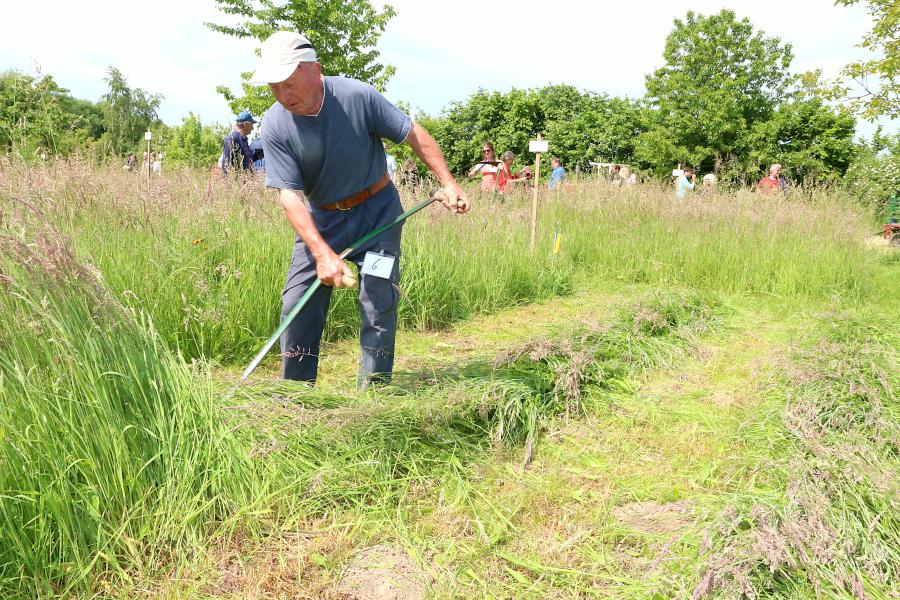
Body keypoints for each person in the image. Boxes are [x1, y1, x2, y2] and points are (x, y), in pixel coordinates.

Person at [253, 31, 469, 387]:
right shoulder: (275, 124)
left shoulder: (357, 96)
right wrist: (322, 254)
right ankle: (296, 396)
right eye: (274, 87)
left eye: (289, 84)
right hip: (322, 220)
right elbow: (290, 196)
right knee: (297, 303)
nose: (282, 96)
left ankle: (374, 392)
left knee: (377, 301)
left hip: (379, 216)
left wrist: (448, 181)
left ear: (314, 70)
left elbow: (412, 132)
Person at [222, 111, 257, 176]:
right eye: (252, 125)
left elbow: (245, 159)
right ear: (246, 124)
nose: (253, 128)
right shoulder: (232, 138)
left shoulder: (244, 139)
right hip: (237, 183)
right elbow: (226, 164)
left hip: (246, 181)